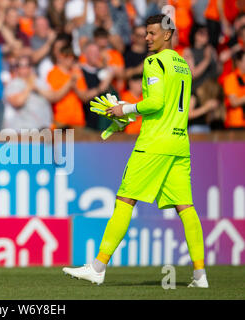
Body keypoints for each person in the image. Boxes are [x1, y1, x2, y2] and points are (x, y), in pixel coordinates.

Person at [63, 14, 209, 288]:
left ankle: (98, 267)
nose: (147, 38)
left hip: (154, 144)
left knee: (125, 200)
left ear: (168, 34)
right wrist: (128, 118)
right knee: (186, 207)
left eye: (153, 33)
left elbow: (154, 103)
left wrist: (124, 109)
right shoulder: (183, 65)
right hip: (179, 142)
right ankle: (200, 276)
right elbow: (167, 106)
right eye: (146, 33)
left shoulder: (154, 62)